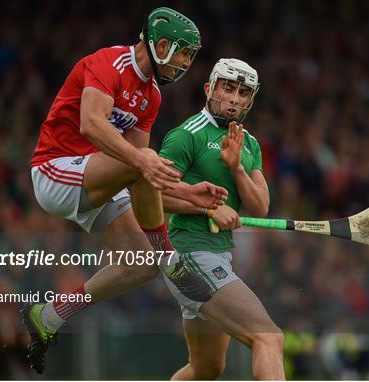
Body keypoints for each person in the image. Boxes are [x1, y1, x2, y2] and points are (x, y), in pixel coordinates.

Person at [21, 7, 227, 374]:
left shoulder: (152, 96)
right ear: (160, 44)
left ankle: (50, 315)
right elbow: (91, 124)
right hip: (55, 171)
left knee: (140, 264)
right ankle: (169, 257)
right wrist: (144, 162)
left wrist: (189, 195)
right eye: (182, 52)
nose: (185, 63)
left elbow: (143, 180)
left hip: (97, 179)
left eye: (190, 56)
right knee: (144, 162)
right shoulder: (108, 63)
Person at [159, 58, 286, 380]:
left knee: (206, 368)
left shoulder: (249, 144)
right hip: (189, 254)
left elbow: (260, 208)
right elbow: (150, 195)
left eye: (243, 93)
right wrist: (208, 210)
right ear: (209, 88)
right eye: (228, 88)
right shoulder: (186, 136)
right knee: (268, 337)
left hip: (216, 254)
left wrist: (237, 168)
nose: (234, 99)